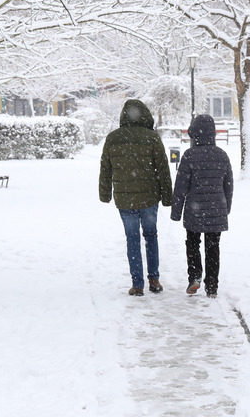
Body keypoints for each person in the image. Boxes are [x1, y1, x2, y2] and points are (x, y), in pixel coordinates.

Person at [99, 99, 173, 296]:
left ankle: (137, 284)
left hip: (125, 200)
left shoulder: (113, 138)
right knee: (151, 236)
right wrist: (167, 196)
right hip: (150, 198)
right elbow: (163, 169)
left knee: (132, 239)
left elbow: (106, 168)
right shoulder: (152, 138)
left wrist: (104, 194)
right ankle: (154, 279)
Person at [170, 114, 233, 299]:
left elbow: (181, 186)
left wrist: (176, 211)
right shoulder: (222, 155)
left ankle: (195, 277)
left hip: (194, 211)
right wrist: (225, 209)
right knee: (213, 247)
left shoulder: (190, 156)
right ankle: (212, 285)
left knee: (193, 244)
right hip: (216, 210)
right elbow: (228, 185)